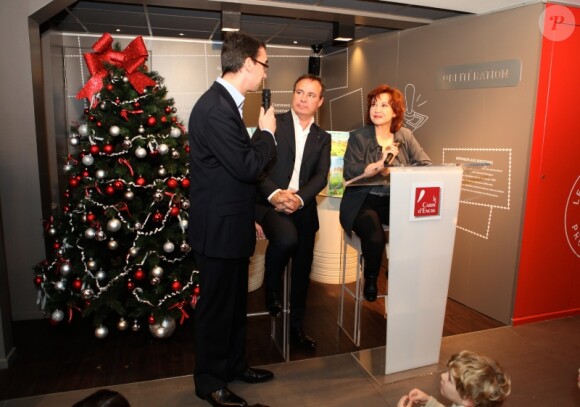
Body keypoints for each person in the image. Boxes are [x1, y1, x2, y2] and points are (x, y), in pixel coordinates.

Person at [188, 31, 277, 407]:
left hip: (232, 224)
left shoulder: (226, 104)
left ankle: (235, 365)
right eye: (264, 65)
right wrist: (267, 134)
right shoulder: (215, 108)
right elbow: (246, 166)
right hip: (218, 232)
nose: (266, 74)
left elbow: (229, 173)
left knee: (234, 306)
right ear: (247, 65)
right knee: (216, 311)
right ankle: (210, 382)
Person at [255, 74, 331, 350]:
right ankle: (271, 287)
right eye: (300, 92)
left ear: (320, 101)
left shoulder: (323, 137)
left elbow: (321, 176)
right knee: (286, 240)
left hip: (303, 207)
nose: (303, 98)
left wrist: (298, 199)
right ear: (293, 94)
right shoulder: (272, 123)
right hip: (271, 203)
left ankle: (297, 328)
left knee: (302, 273)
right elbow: (255, 167)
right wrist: (276, 195)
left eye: (311, 95)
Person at [339, 84, 431, 302]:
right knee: (375, 235)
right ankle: (371, 278)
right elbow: (349, 170)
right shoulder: (359, 136)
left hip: (395, 201)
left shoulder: (405, 136)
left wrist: (395, 169)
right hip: (363, 201)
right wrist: (371, 168)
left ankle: (398, 273)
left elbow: (425, 164)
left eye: (383, 105)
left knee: (415, 229)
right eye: (373, 104)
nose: (376, 109)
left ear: (395, 111)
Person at [397, 350, 511, 407]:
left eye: (450, 379)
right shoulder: (466, 402)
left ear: (467, 399)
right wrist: (429, 401)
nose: (442, 376)